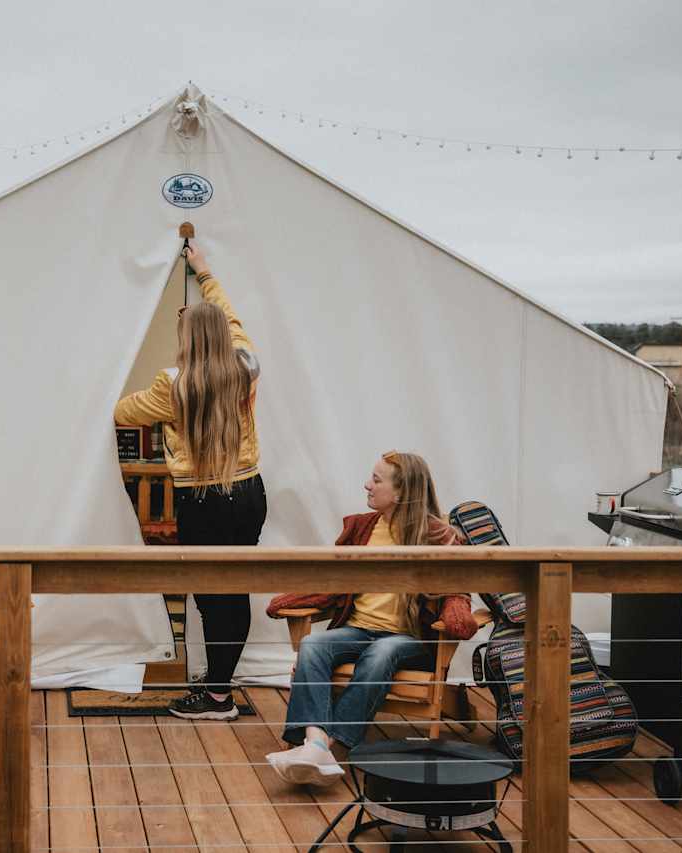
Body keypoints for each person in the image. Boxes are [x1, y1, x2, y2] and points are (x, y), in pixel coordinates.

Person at [115, 242, 266, 721]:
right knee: (235, 589)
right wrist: (204, 274)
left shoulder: (172, 385)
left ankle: (218, 696)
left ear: (186, 339)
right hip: (248, 492)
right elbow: (233, 321)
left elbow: (121, 412)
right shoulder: (245, 367)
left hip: (202, 500)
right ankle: (220, 684)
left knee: (208, 594)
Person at [266, 451, 477, 786]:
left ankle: (328, 745)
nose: (367, 485)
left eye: (376, 480)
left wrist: (456, 606)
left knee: (382, 653)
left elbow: (458, 589)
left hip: (409, 640)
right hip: (358, 630)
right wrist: (298, 598)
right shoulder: (361, 527)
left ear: (401, 492)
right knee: (313, 643)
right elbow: (335, 584)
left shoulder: (438, 535)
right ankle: (317, 743)